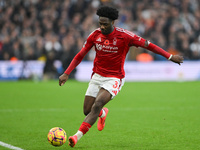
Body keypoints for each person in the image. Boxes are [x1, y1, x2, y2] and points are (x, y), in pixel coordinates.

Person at [59, 6, 184, 147]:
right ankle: (102, 114)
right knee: (87, 111)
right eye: (100, 23)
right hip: (97, 76)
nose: (102, 26)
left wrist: (170, 56)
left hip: (114, 78)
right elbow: (80, 55)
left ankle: (76, 136)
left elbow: (149, 46)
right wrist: (66, 73)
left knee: (98, 104)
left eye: (105, 24)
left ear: (113, 22)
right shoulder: (95, 35)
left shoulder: (125, 36)